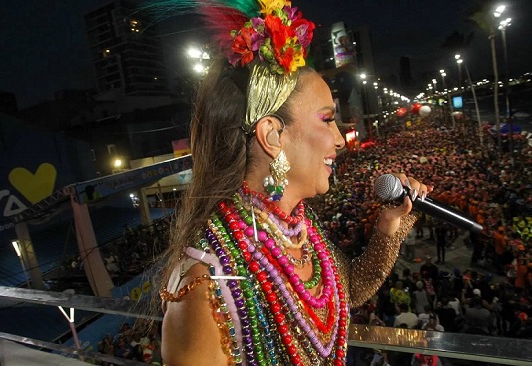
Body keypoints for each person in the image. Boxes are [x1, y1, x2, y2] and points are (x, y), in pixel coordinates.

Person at [153, 0, 431, 364]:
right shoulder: (206, 281)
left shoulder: (300, 226)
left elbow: (345, 293)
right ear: (272, 134)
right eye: (327, 120)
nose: (338, 138)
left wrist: (389, 225)